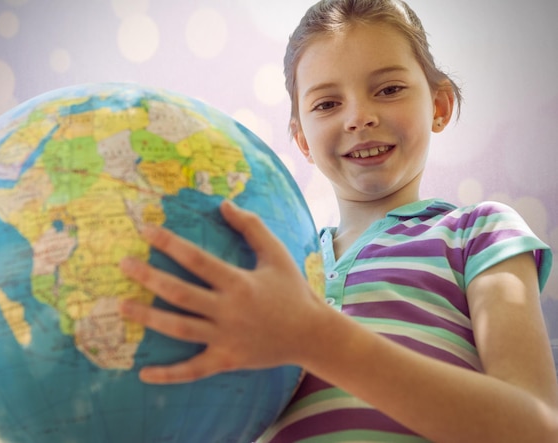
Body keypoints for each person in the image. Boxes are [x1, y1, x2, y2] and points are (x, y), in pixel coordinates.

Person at [118, 0, 558, 441]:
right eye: (327, 103)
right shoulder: (275, 264)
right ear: (302, 140)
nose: (358, 117)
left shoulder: (479, 232)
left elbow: (536, 428)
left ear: (440, 105)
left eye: (388, 89)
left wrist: (316, 338)